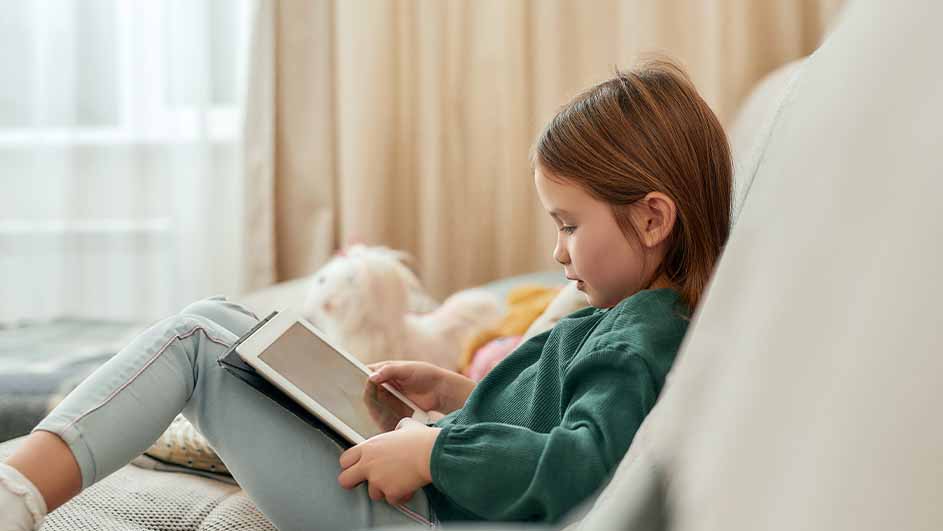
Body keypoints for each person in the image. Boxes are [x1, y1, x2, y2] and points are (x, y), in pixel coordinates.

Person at [0, 59, 731, 531]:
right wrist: (456, 393)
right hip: (428, 493)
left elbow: (575, 459)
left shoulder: (640, 337)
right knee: (228, 322)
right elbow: (549, 412)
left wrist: (432, 457)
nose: (556, 250)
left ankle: (17, 491)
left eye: (569, 225)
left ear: (652, 217)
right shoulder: (624, 319)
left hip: (419, 513)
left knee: (199, 339)